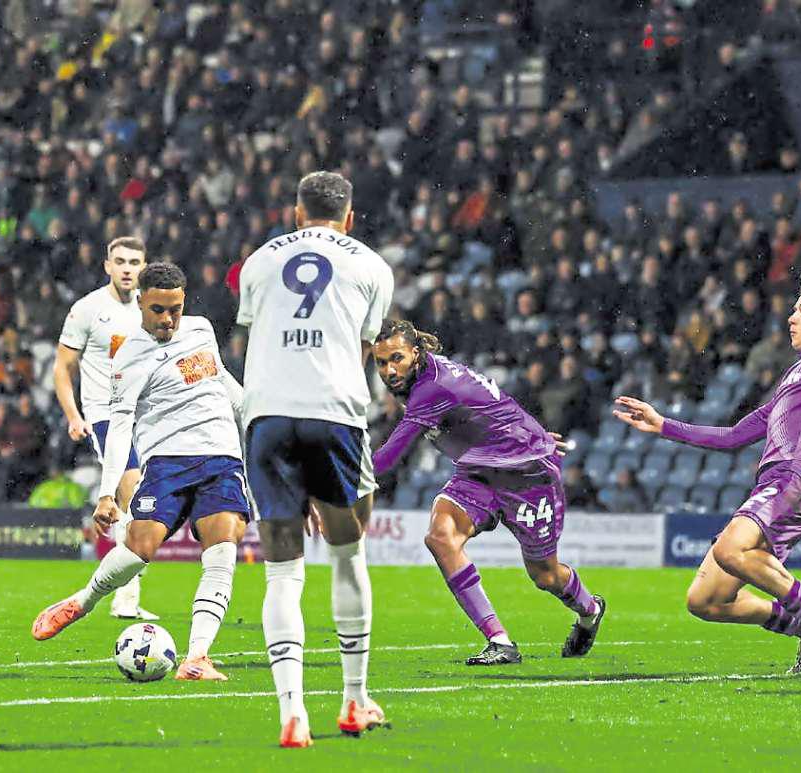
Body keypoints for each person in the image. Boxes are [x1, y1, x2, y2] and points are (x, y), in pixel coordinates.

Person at [33, 263, 250, 682]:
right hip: (167, 461)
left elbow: (221, 379)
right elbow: (120, 423)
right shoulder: (129, 354)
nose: (168, 319)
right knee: (140, 548)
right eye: (158, 310)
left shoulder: (202, 329)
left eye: (175, 309)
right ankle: (83, 601)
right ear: (141, 304)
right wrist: (106, 493)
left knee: (223, 547)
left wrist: (257, 416)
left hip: (222, 457)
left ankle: (197, 657)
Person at [613, 276, 801, 680]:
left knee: (729, 549)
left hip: (797, 477)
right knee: (705, 600)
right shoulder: (794, 380)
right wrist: (663, 424)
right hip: (781, 484)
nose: (791, 318)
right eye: (793, 309)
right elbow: (733, 436)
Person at [237, 171, 394, 748]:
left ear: (297, 213)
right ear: (349, 217)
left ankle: (292, 714)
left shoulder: (258, 261)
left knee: (282, 569)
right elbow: (358, 347)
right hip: (335, 414)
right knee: (348, 553)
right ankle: (354, 700)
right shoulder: (374, 265)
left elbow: (256, 335)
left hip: (269, 414)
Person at [370, 319, 606, 667]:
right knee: (440, 537)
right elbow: (493, 402)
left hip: (527, 477)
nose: (389, 370)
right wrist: (532, 432)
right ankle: (500, 641)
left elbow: (385, 460)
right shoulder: (424, 376)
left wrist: (323, 475)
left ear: (416, 354)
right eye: (381, 362)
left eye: (397, 359)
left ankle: (590, 610)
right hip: (478, 473)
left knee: (545, 575)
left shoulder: (431, 389)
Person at [53, 236, 158, 621]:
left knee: (149, 500)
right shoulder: (88, 310)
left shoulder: (151, 307)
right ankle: (125, 597)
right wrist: (73, 416)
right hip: (106, 414)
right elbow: (62, 368)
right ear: (107, 266)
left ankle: (125, 586)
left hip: (148, 414)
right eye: (121, 261)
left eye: (135, 261)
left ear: (144, 266)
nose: (128, 268)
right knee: (132, 493)